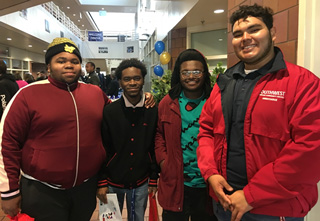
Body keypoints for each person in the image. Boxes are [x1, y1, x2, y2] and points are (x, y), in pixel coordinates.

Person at [0, 38, 155, 220]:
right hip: (42, 190)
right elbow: (6, 142)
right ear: (48, 66)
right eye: (61, 60)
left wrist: (142, 96)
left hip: (85, 188)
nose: (69, 65)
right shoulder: (27, 95)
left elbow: (118, 109)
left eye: (74, 61)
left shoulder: (95, 93)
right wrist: (9, 191)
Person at [197, 4, 320, 221]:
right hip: (225, 203)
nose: (245, 38)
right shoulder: (224, 82)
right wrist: (211, 174)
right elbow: (206, 130)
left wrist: (251, 196)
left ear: (273, 33)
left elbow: (310, 150)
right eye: (237, 34)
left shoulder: (303, 83)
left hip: (274, 209)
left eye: (254, 29)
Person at [155, 49, 215, 221]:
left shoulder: (214, 101)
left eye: (196, 71)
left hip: (207, 184)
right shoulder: (168, 102)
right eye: (185, 72)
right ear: (179, 75)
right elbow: (159, 135)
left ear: (204, 73)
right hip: (176, 182)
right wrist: (164, 162)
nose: (191, 76)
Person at [96, 58, 158, 221]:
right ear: (120, 82)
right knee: (109, 220)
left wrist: (153, 178)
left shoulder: (151, 110)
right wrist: (101, 181)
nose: (132, 82)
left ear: (143, 80)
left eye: (137, 78)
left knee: (138, 218)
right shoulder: (109, 111)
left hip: (141, 181)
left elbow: (153, 146)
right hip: (111, 181)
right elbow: (102, 148)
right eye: (127, 79)